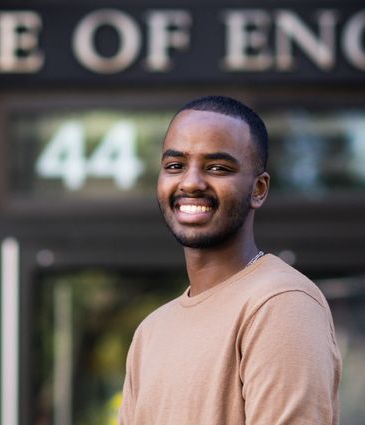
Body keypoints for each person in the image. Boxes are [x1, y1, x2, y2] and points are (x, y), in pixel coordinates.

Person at [118, 96, 342, 424]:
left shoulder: (280, 305)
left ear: (259, 189)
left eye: (217, 168)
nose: (191, 182)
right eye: (175, 166)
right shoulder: (150, 332)